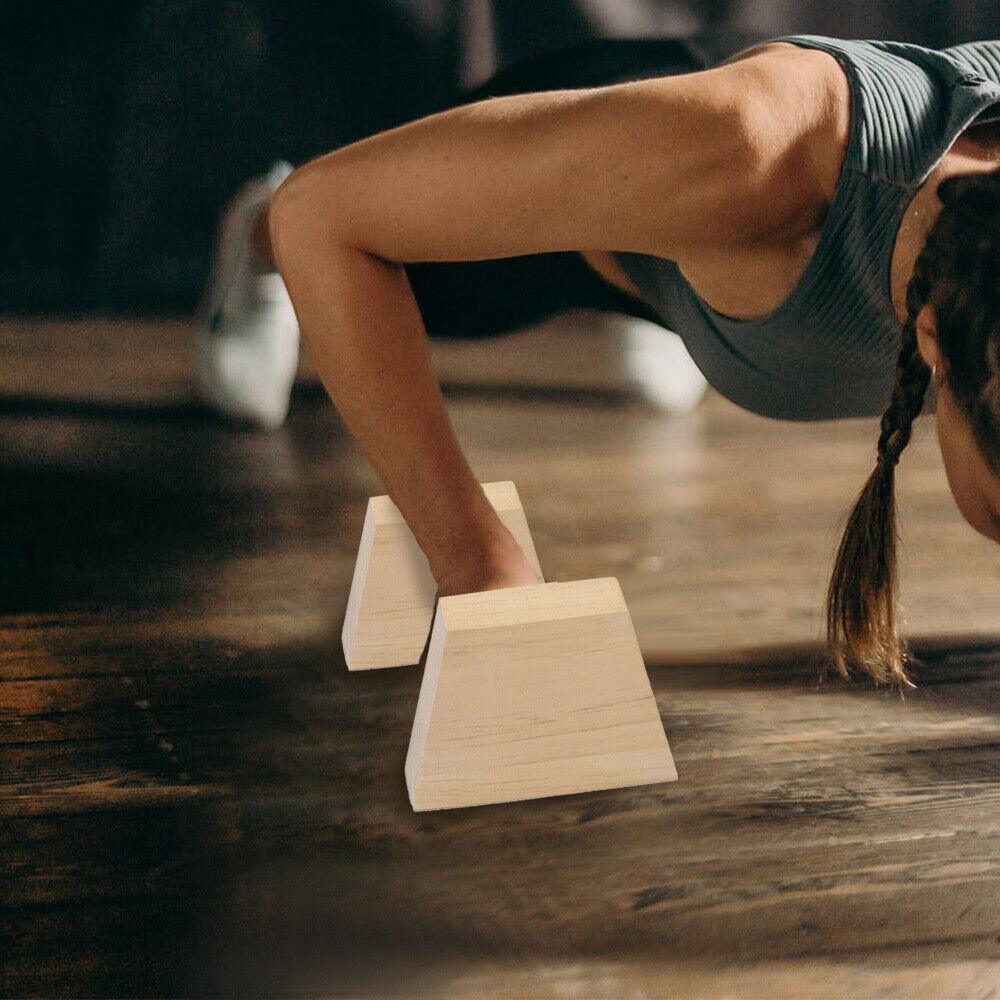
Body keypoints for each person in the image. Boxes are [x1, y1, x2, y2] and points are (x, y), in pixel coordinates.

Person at [200, 34, 1000, 686]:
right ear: (932, 342)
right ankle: (251, 234)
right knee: (361, 239)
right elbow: (326, 216)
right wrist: (480, 567)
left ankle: (681, 299)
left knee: (703, 246)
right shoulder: (759, 158)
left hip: (707, 226)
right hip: (636, 153)